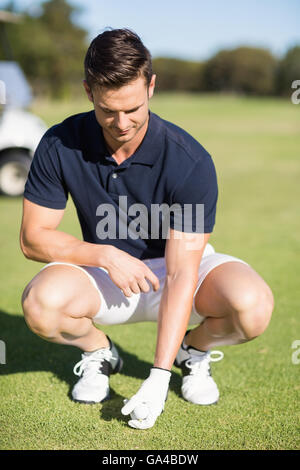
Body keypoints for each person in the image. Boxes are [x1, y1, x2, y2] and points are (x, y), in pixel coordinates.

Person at [20, 28, 274, 430]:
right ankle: (100, 351)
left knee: (253, 306)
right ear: (89, 92)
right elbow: (33, 239)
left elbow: (180, 272)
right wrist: (104, 254)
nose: (121, 122)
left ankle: (191, 352)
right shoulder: (59, 142)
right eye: (108, 110)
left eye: (133, 108)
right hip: (106, 274)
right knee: (40, 304)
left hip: (178, 271)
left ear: (151, 86)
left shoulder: (189, 159)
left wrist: (157, 378)